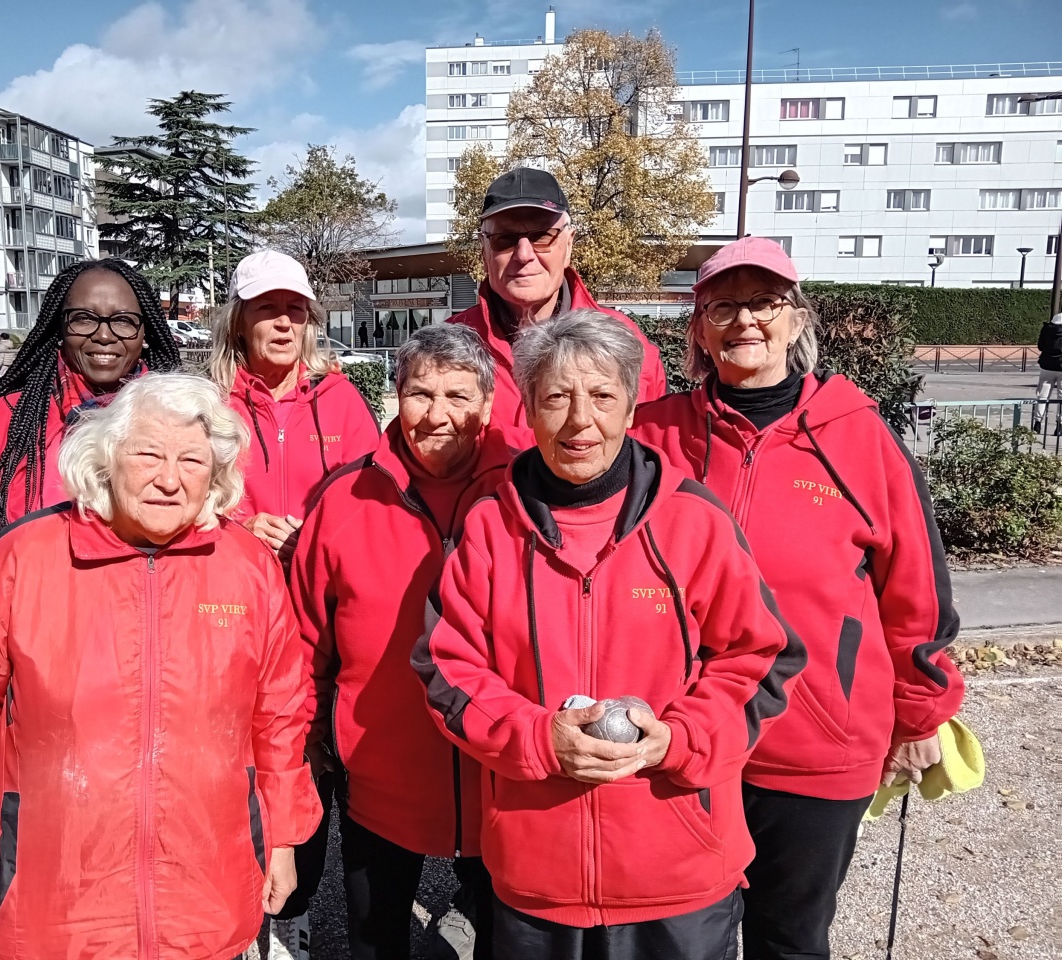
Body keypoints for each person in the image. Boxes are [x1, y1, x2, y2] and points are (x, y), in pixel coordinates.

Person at [415, 311, 806, 960]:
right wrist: (537, 737)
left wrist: (679, 739)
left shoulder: (692, 521)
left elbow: (759, 658)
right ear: (528, 411)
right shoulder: (489, 527)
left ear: (630, 407)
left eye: (601, 395)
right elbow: (447, 668)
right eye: (556, 398)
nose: (580, 420)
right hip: (537, 877)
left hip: (679, 875)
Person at [632, 237, 966, 960]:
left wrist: (920, 711)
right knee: (681, 937)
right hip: (685, 737)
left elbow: (916, 588)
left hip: (818, 744)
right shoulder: (654, 433)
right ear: (699, 330)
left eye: (764, 302)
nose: (744, 320)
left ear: (796, 319)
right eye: (723, 306)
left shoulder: (860, 436)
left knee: (789, 939)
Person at [0, 372, 322, 959]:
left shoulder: (248, 568)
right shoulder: (21, 561)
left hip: (204, 894)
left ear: (217, 475)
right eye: (148, 454)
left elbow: (279, 718)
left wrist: (280, 838)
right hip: (49, 902)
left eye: (192, 460)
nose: (170, 479)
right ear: (105, 458)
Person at [291, 325, 512, 960]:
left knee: (506, 940)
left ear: (488, 404)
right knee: (375, 939)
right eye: (420, 394)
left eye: (458, 396)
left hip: (501, 773)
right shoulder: (345, 498)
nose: (437, 415)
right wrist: (308, 739)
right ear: (396, 397)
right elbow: (305, 639)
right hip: (379, 775)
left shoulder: (523, 489)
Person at [0, 258, 180, 672]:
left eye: (123, 321)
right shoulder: (2, 425)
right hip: (28, 663)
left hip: (149, 666)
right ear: (58, 329)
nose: (104, 335)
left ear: (145, 333)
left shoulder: (183, 423)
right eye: (84, 319)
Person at [449, 168, 666, 449]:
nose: (524, 255)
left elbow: (649, 453)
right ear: (483, 250)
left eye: (542, 236)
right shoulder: (447, 346)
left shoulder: (626, 342)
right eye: (504, 238)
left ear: (569, 244)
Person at [211, 250, 380, 568]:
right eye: (266, 308)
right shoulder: (208, 403)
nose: (284, 323)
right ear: (238, 323)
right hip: (236, 579)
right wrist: (238, 532)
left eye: (295, 309)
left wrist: (316, 537)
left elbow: (373, 504)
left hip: (319, 583)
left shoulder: (342, 399)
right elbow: (183, 509)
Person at [1033, 310, 1062, 435]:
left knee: (1042, 395)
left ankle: (1037, 422)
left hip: (1047, 365)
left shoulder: (1047, 328)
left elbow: (1040, 346)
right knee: (1061, 397)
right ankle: (1059, 426)